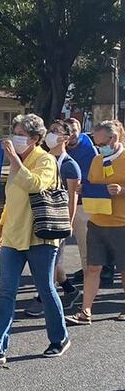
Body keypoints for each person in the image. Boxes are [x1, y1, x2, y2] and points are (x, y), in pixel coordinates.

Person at [0, 114, 70, 368]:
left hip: (41, 237)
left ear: (36, 139)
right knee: (5, 293)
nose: (15, 139)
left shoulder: (45, 160)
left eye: (20, 135)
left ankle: (59, 338)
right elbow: (12, 199)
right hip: (14, 237)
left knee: (46, 289)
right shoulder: (19, 161)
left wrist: (15, 160)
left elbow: (35, 185)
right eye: (13, 133)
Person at [66, 120, 125, 325]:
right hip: (97, 222)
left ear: (114, 138)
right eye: (97, 143)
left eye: (101, 143)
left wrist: (122, 191)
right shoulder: (97, 160)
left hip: (121, 223)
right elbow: (90, 183)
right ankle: (85, 311)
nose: (99, 147)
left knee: (124, 269)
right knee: (92, 268)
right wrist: (83, 189)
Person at [24, 120, 82, 317]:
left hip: (58, 220)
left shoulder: (69, 165)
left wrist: (70, 221)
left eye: (56, 132)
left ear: (65, 138)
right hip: (40, 217)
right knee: (51, 262)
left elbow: (73, 196)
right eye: (50, 130)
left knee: (50, 262)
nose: (51, 134)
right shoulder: (42, 159)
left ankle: (42, 299)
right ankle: (70, 290)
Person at [65, 118, 115, 285]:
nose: (71, 134)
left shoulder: (90, 150)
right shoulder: (59, 149)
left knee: (89, 241)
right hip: (65, 201)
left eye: (74, 130)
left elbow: (98, 176)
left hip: (86, 203)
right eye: (68, 130)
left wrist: (84, 186)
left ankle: (101, 270)